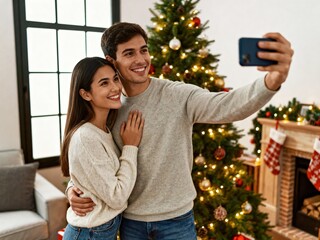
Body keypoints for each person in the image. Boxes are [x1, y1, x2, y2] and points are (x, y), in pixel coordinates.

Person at [67, 22, 294, 240]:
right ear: (111, 60)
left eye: (143, 50)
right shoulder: (111, 105)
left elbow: (227, 105)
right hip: (130, 222)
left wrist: (272, 81)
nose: (140, 60)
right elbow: (95, 156)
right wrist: (72, 188)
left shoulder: (177, 95)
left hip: (176, 221)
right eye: (129, 53)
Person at [60, 57, 144, 240]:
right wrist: (130, 147)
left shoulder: (104, 129)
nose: (115, 88)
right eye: (104, 83)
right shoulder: (86, 137)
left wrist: (71, 188)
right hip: (90, 234)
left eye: (115, 79)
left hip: (98, 231)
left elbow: (90, 176)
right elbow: (116, 196)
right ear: (86, 94)